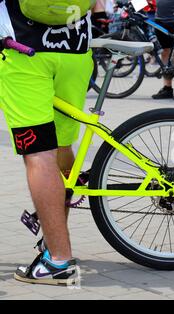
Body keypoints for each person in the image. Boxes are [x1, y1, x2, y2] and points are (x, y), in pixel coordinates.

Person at [0, 0, 94, 285]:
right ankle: (53, 238)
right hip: (76, 52)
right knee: (61, 146)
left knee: (39, 155)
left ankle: (58, 261)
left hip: (24, 51)